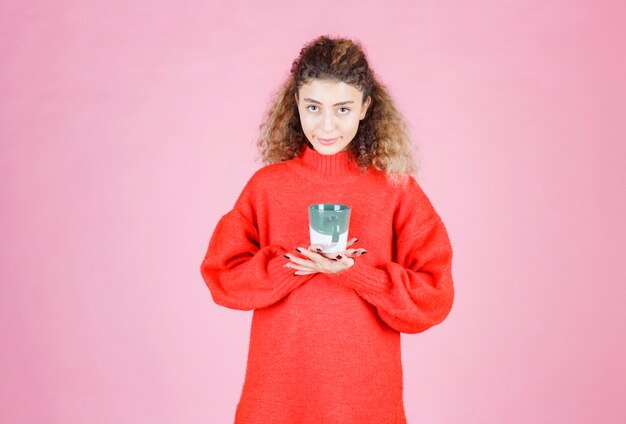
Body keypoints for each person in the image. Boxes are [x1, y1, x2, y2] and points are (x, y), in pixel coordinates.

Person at [200, 35, 454, 424]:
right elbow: (222, 277)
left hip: (364, 400)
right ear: (296, 105)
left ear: (366, 107)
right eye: (314, 107)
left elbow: (433, 297)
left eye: (343, 109)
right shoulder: (267, 186)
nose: (327, 125)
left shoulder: (396, 190)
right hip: (278, 395)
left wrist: (356, 274)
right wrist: (291, 263)